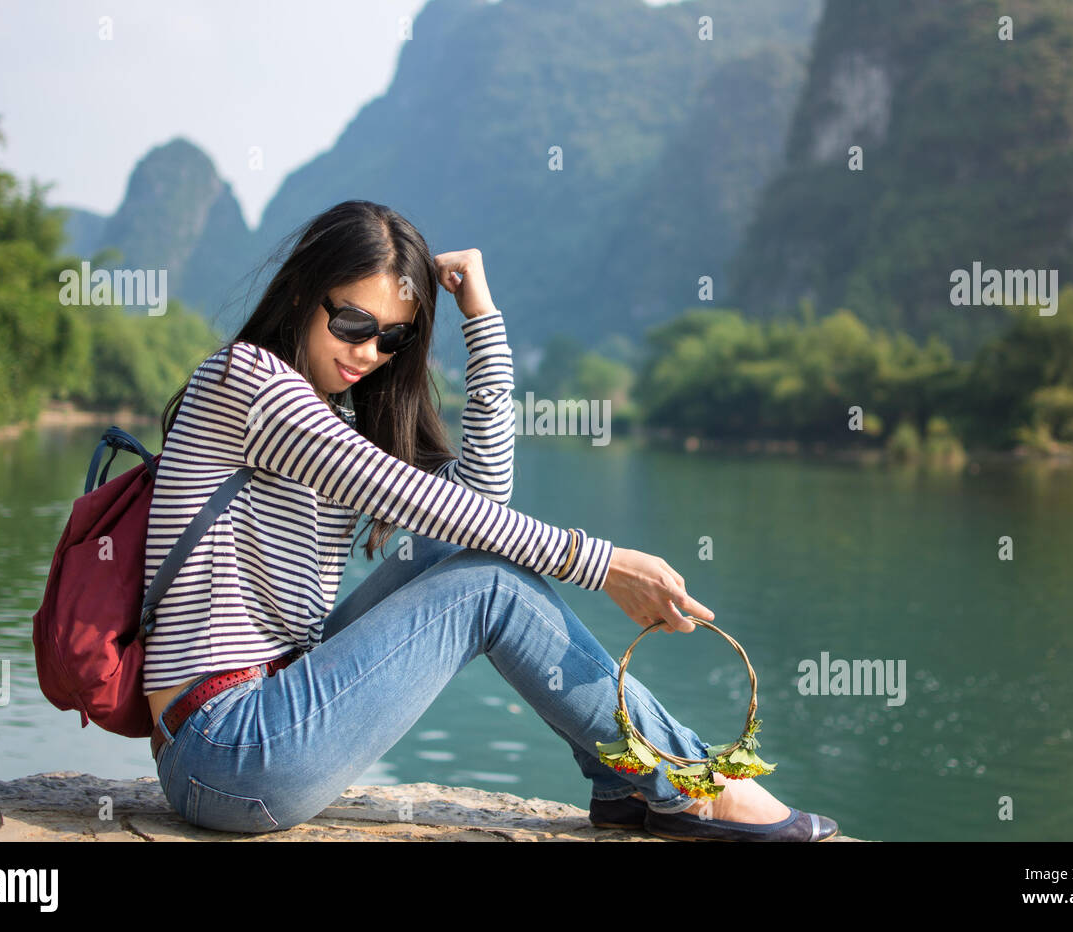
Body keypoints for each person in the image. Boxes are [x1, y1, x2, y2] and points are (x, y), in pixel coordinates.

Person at [141, 199, 839, 842]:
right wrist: (603, 563)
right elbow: (430, 505)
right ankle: (695, 785)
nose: (366, 352)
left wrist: (482, 317)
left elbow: (481, 500)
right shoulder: (249, 383)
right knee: (490, 588)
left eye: (391, 339)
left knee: (478, 563)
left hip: (276, 709)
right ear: (301, 293)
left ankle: (631, 779)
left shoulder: (336, 411)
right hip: (225, 749)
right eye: (352, 323)